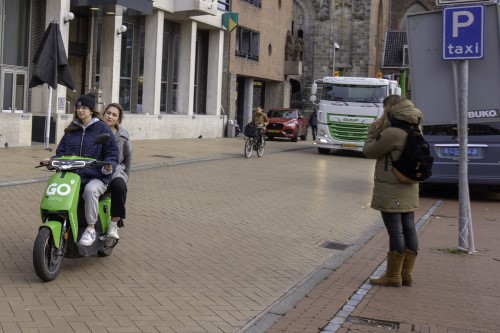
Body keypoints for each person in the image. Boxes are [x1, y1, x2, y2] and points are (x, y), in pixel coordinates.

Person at [41, 93, 118, 246]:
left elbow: (113, 152)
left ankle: (90, 228)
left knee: (90, 190)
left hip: (95, 176)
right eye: (78, 108)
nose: (80, 110)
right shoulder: (72, 129)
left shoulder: (101, 128)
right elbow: (61, 152)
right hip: (73, 176)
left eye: (84, 108)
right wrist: (52, 161)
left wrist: (109, 164)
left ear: (91, 110)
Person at [362, 95, 423, 287]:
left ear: (390, 109)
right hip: (410, 185)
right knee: (409, 228)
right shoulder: (416, 130)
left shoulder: (393, 133)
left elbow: (369, 151)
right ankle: (406, 274)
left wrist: (372, 130)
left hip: (391, 187)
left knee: (396, 232)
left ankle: (393, 276)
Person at [102, 103, 132, 239]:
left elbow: (128, 158)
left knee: (120, 187)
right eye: (108, 113)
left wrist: (124, 176)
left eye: (114, 115)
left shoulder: (123, 137)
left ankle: (113, 224)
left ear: (118, 119)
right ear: (104, 114)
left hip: (116, 171)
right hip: (96, 169)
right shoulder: (95, 130)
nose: (110, 116)